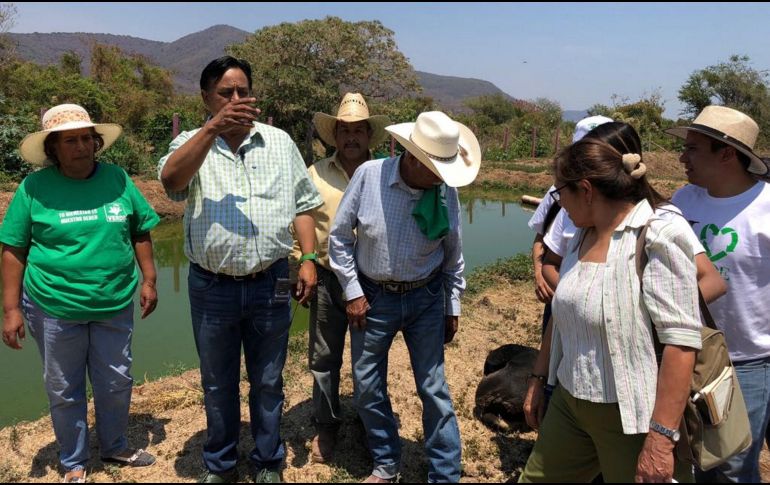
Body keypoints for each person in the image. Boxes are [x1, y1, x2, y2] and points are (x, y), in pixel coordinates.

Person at [158, 56, 322, 484]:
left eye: (243, 92)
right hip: (212, 288)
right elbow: (172, 182)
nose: (236, 99)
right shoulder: (191, 143)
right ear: (206, 99)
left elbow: (304, 204)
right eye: (225, 93)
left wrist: (308, 259)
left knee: (268, 380)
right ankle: (221, 463)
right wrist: (212, 129)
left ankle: (267, 461)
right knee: (217, 382)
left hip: (271, 281)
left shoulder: (279, 142)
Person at [520, 122, 703, 483]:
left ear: (586, 190)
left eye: (560, 193)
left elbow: (681, 344)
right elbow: (562, 314)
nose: (559, 204)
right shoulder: (581, 236)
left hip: (632, 414)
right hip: (571, 401)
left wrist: (660, 440)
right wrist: (539, 378)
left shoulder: (658, 235)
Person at [0, 103, 160, 483]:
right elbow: (13, 250)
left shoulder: (118, 179)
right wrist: (11, 309)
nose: (81, 146)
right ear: (53, 148)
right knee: (64, 388)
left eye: (87, 138)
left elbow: (140, 230)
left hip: (113, 302)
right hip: (53, 305)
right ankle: (74, 461)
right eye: (70, 140)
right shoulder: (34, 188)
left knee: (116, 380)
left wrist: (150, 279)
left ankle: (115, 445)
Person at [329, 111, 480, 483]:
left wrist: (451, 304)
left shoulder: (445, 190)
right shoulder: (370, 176)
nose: (442, 178)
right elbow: (340, 239)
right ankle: (386, 462)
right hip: (373, 299)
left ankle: (445, 473)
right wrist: (353, 293)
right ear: (413, 158)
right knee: (367, 386)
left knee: (433, 387)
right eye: (436, 169)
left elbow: (453, 253)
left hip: (426, 297)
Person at [667, 105, 770, 483]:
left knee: (732, 467)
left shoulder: (766, 208)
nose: (682, 157)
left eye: (692, 148)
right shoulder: (684, 200)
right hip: (688, 351)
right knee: (694, 456)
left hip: (749, 361)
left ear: (726, 154)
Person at [292, 92, 390, 463]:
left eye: (358, 130)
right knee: (323, 357)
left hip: (372, 281)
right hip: (327, 278)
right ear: (334, 135)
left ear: (369, 135)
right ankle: (326, 425)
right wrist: (302, 263)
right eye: (344, 130)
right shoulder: (315, 174)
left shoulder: (386, 174)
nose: (351, 137)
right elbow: (299, 219)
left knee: (370, 359)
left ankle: (370, 424)